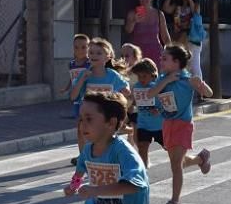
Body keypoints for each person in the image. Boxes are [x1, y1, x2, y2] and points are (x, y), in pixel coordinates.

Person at [148, 44, 213, 204]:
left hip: (183, 125)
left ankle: (174, 202)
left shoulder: (188, 80)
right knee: (179, 162)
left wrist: (201, 84)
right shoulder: (162, 78)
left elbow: (209, 93)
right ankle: (201, 158)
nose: (161, 61)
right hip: (168, 124)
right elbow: (150, 94)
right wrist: (166, 82)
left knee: (176, 165)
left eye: (165, 58)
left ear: (176, 62)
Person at [69, 37, 132, 165]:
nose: (94, 55)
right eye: (91, 52)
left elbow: (126, 91)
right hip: (88, 115)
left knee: (105, 141)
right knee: (81, 132)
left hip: (106, 115)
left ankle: (113, 159)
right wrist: (82, 80)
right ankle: (84, 160)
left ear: (107, 57)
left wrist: (122, 93)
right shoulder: (85, 74)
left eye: (99, 53)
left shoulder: (112, 75)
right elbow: (73, 96)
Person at [163, 0, 203, 77]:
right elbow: (166, 9)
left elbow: (196, 13)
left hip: (192, 37)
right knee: (181, 63)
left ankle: (200, 87)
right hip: (178, 36)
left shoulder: (195, 4)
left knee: (194, 65)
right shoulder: (177, 6)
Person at [129, 59, 164, 166]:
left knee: (170, 149)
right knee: (142, 147)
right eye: (139, 76)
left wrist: (159, 110)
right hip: (143, 124)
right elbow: (134, 101)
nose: (141, 79)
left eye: (144, 76)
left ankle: (197, 159)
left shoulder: (158, 87)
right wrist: (131, 106)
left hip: (159, 125)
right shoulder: (136, 87)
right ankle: (143, 172)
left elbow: (167, 103)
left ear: (152, 75)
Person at [124, 0, 170, 64]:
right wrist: (134, 21)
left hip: (155, 52)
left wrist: (171, 53)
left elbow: (165, 36)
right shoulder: (132, 13)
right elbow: (128, 31)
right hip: (138, 52)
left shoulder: (158, 14)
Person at [60, 34, 91, 119]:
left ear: (89, 48)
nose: (79, 50)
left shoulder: (90, 64)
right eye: (76, 47)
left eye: (83, 47)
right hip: (75, 92)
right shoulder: (71, 64)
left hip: (87, 93)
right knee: (77, 111)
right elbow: (71, 78)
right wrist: (66, 88)